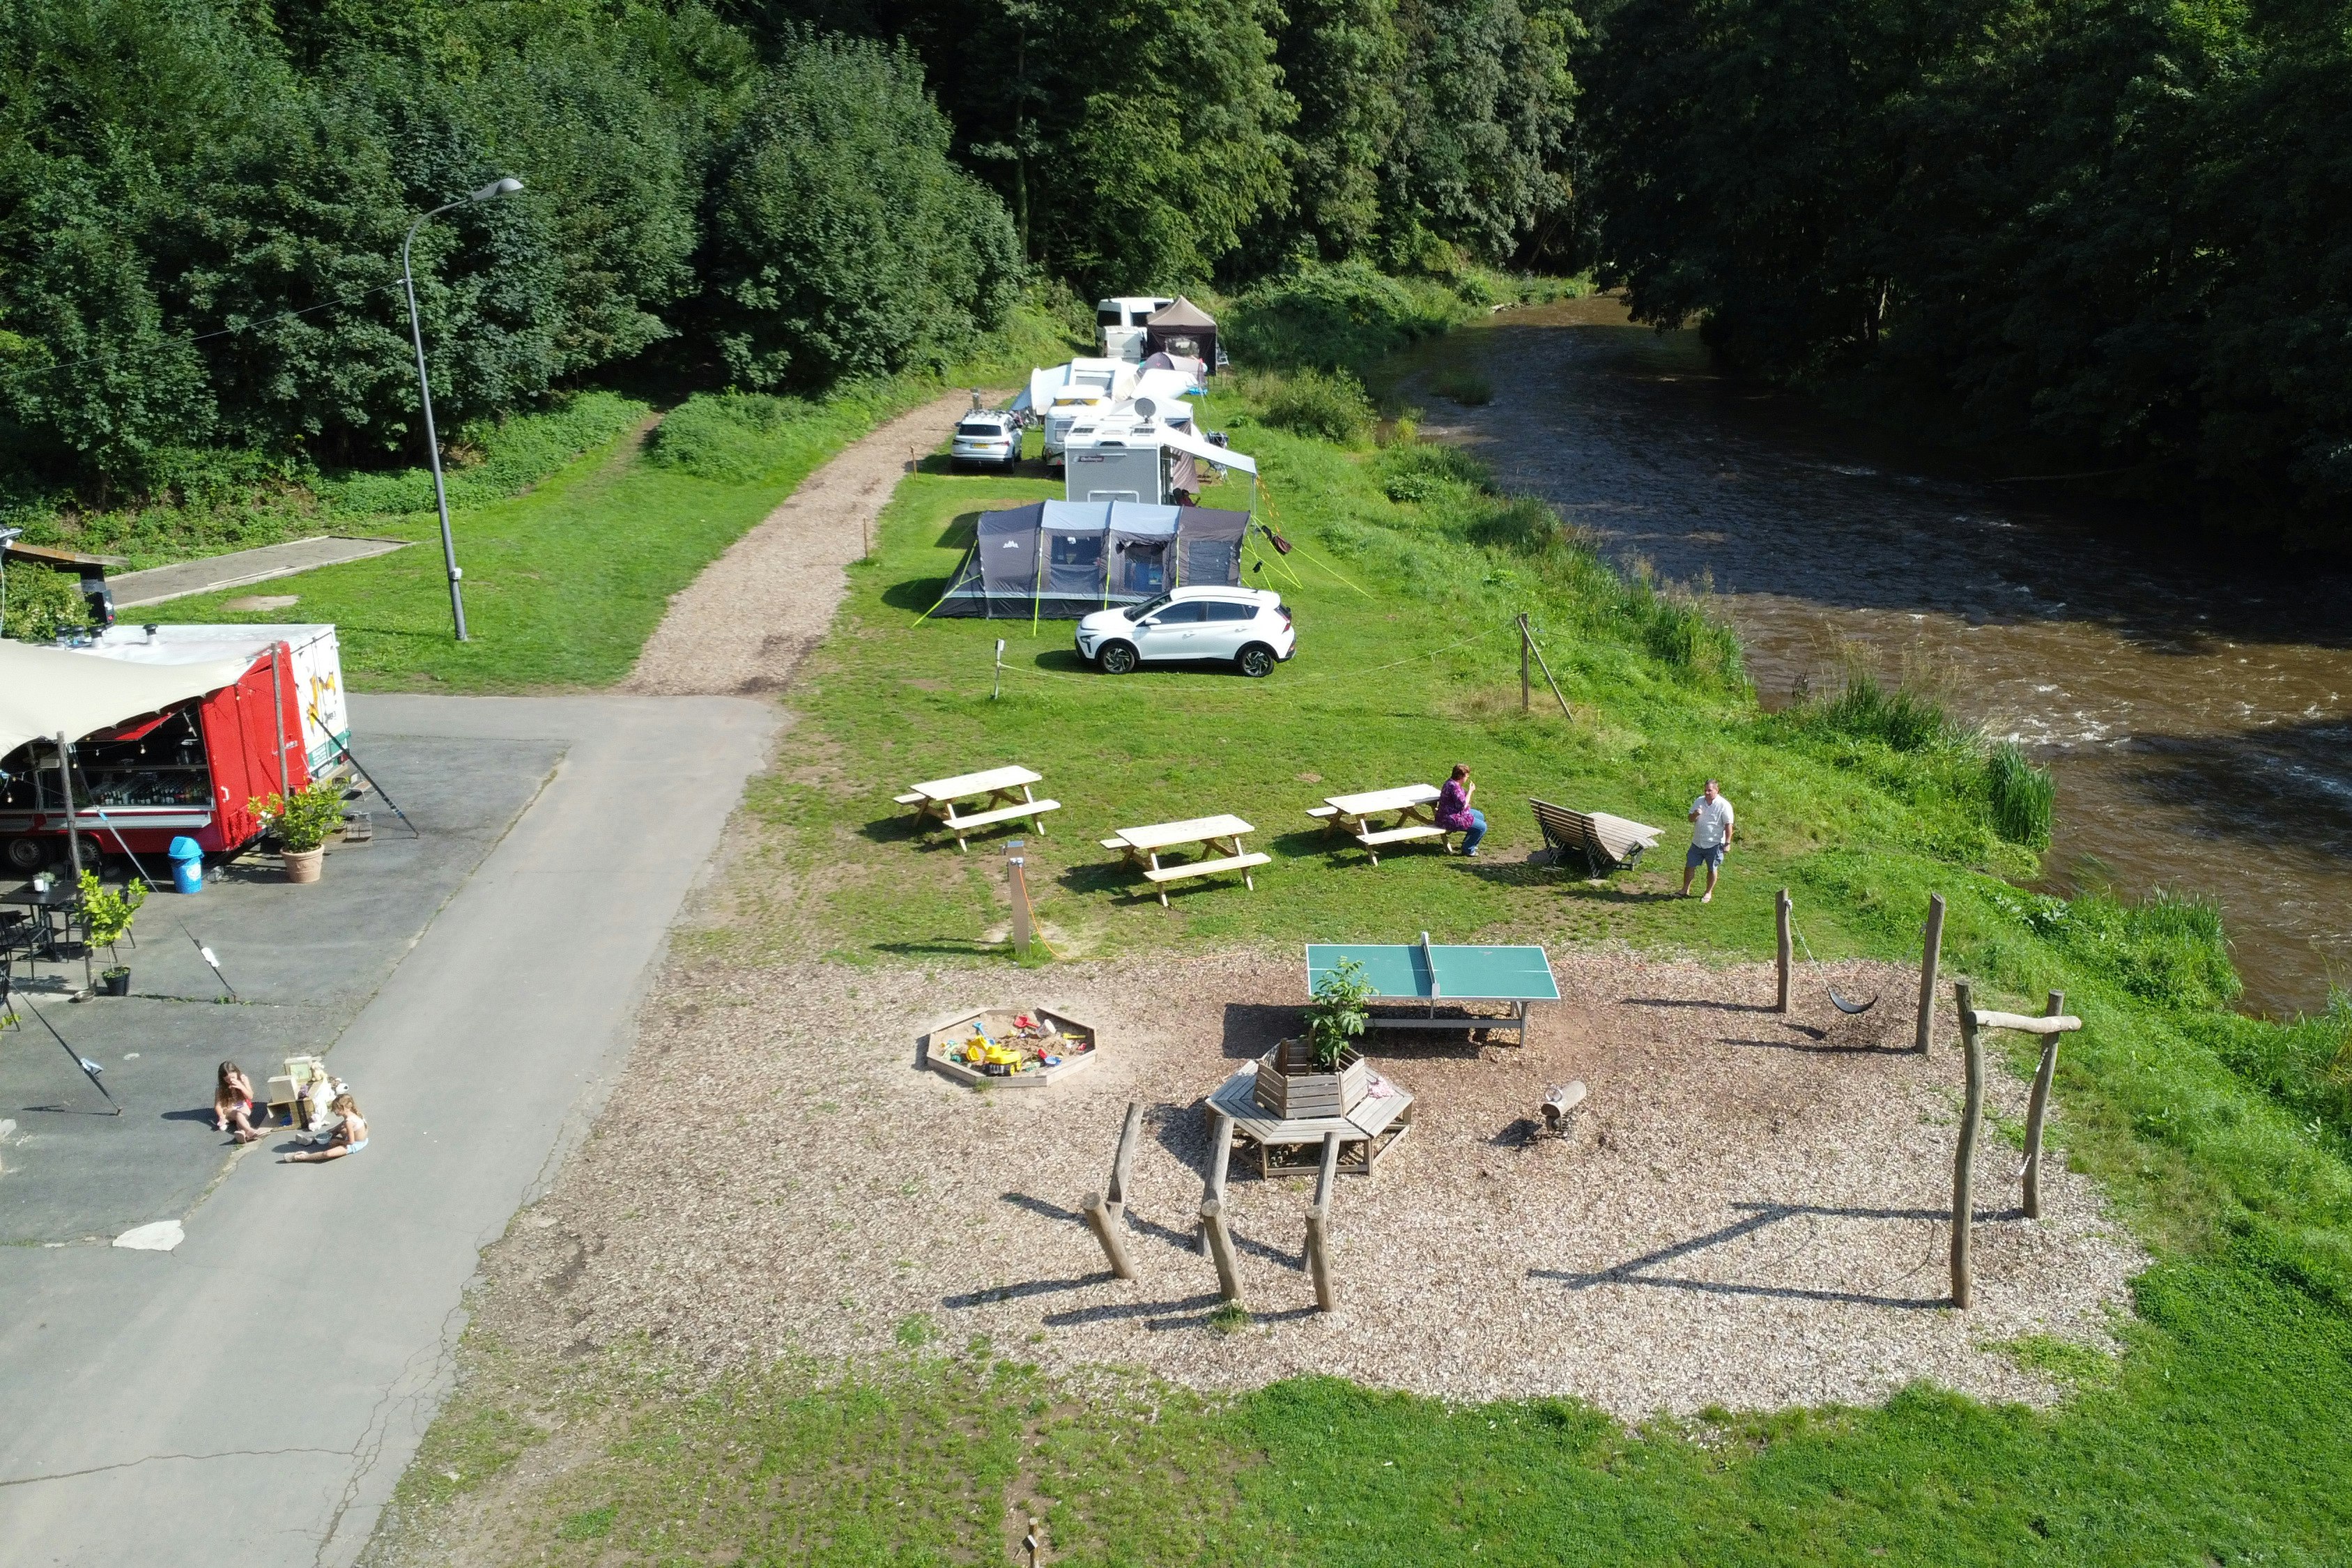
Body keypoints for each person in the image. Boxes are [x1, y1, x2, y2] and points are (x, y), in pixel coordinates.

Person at [1681, 778, 1735, 902]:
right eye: (1705, 790)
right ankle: (1685, 889)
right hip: (1697, 842)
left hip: (1714, 844)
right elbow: (1690, 819)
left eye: (1710, 791)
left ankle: (1708, 892)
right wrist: (1695, 814)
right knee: (1690, 865)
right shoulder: (1699, 801)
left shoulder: (1724, 805)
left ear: (1717, 790)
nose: (1707, 793)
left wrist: (1727, 843)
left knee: (1712, 868)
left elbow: (1728, 825)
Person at [279, 1093, 367, 1163]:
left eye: (336, 1109)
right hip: (354, 1139)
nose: (335, 1111)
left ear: (343, 1108)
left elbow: (351, 1142)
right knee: (335, 1130)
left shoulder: (349, 1121)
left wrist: (338, 1141)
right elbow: (345, 1125)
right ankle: (311, 1139)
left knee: (327, 1154)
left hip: (355, 1144)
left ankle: (302, 1157)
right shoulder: (352, 1114)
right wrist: (333, 1130)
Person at [1434, 763, 1487, 856]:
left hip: (1448, 813)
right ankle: (1468, 849)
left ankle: (1469, 842)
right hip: (1451, 818)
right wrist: (1470, 791)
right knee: (1482, 827)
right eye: (1466, 775)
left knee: (1480, 816)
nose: (1467, 777)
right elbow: (1462, 805)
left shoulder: (1450, 783)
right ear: (1460, 776)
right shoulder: (1454, 787)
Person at [213, 1061, 264, 1144]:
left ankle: (242, 1133)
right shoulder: (220, 1088)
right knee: (238, 1114)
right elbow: (218, 1105)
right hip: (229, 1109)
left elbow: (250, 1096)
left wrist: (241, 1086)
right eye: (227, 1080)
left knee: (242, 1115)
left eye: (233, 1077)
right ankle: (250, 1131)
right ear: (223, 1079)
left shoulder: (243, 1079)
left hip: (243, 1105)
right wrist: (222, 1117)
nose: (230, 1081)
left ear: (237, 1073)